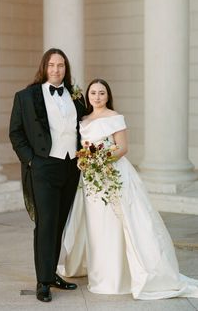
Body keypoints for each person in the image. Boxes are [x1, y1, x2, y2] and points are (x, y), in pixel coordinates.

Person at [59, 78, 198, 299]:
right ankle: (99, 275)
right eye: (93, 92)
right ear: (88, 95)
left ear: (108, 95)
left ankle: (118, 278)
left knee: (115, 223)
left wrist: (100, 159)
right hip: (92, 181)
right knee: (96, 225)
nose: (97, 97)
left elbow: (122, 148)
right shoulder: (83, 120)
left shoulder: (115, 118)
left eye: (102, 93)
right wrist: (88, 161)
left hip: (113, 175)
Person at [9, 48, 86, 302]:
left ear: (66, 68)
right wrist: (31, 160)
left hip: (70, 166)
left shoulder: (75, 95)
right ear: (44, 67)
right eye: (52, 65)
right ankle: (43, 281)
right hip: (43, 166)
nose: (56, 70)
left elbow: (84, 126)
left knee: (59, 223)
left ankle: (52, 273)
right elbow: (16, 132)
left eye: (61, 65)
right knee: (46, 224)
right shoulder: (26, 96)